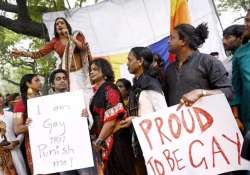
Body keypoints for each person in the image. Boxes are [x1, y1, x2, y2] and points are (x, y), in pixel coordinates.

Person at [120, 47, 168, 175]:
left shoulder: (150, 83)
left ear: (140, 61)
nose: (127, 63)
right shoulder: (136, 83)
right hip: (142, 140)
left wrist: (134, 120)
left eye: (130, 60)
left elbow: (162, 114)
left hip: (155, 142)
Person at [164, 23, 232, 107]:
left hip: (208, 118)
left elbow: (228, 91)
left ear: (183, 41)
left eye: (172, 38)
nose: (168, 41)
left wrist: (201, 93)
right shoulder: (169, 69)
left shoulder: (209, 61)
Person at [89, 58, 134, 175]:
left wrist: (98, 142)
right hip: (106, 141)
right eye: (90, 70)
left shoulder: (110, 89)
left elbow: (111, 120)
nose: (91, 72)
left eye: (95, 69)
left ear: (104, 72)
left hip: (116, 140)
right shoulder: (96, 92)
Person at [13, 74, 42, 175]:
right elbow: (17, 129)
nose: (40, 83)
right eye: (37, 80)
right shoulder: (19, 105)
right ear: (28, 84)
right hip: (34, 146)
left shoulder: (44, 100)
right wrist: (34, 124)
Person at [232, 9, 250, 137]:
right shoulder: (239, 54)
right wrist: (236, 117)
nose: (247, 24)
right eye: (247, 20)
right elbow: (236, 89)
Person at [0, 93, 27, 175]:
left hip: (15, 151)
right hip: (1, 157)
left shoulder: (12, 115)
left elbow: (20, 132)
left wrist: (16, 142)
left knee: (21, 172)